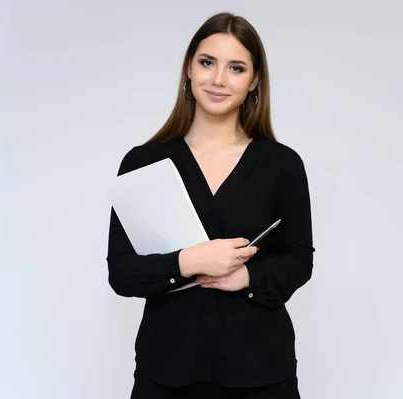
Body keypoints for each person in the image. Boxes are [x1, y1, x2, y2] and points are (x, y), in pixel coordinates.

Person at [106, 12, 314, 399]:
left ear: (253, 81)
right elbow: (121, 273)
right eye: (207, 62)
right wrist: (191, 261)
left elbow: (300, 260)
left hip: (261, 373)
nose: (218, 79)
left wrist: (247, 278)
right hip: (166, 372)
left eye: (236, 68)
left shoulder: (282, 165)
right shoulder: (142, 164)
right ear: (189, 68)